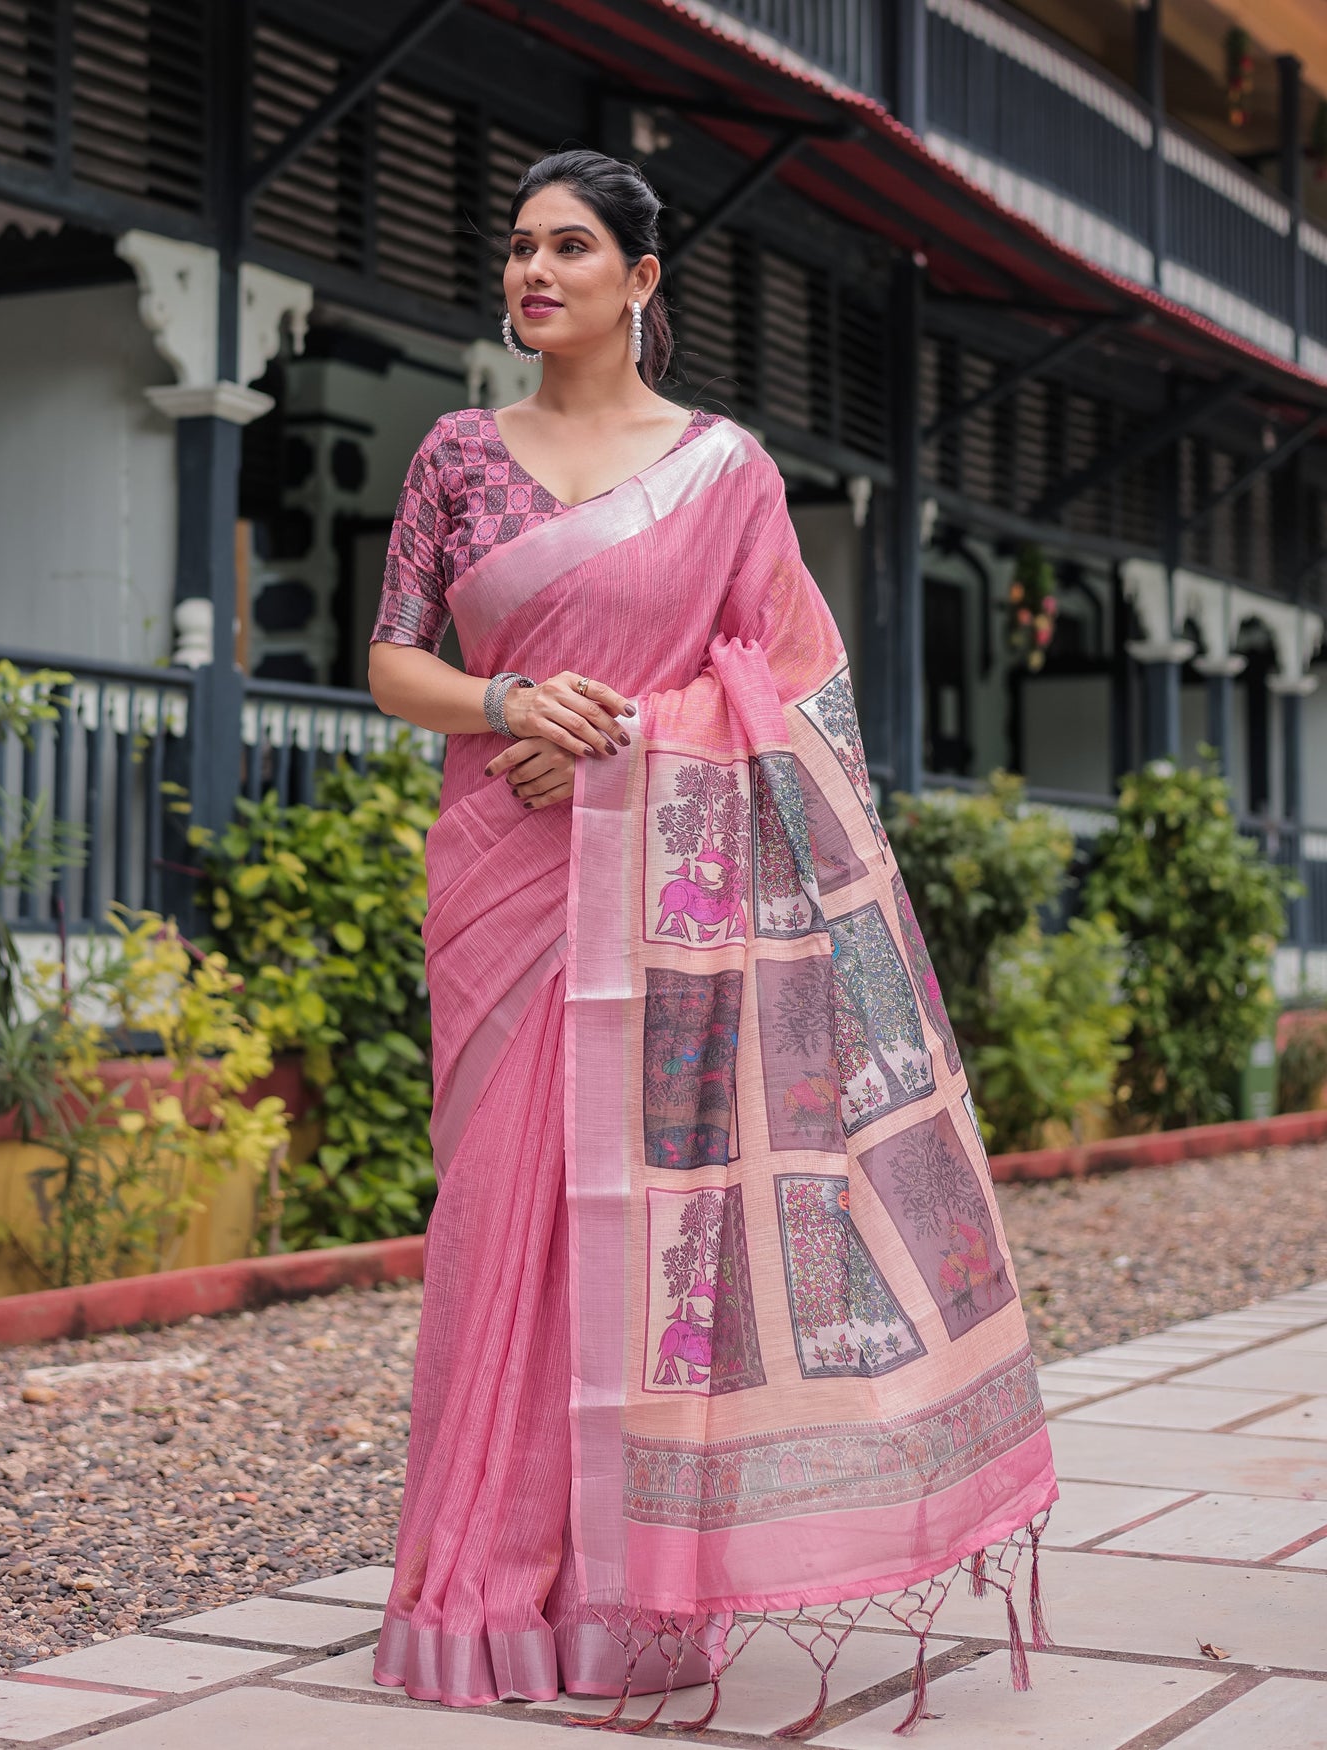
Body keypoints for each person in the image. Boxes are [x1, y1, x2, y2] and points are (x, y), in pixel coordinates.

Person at [367, 148, 1057, 1736]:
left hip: (659, 903)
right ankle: (471, 1587)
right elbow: (395, 659)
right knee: (498, 1221)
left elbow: (799, 688)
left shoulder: (726, 471)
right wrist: (505, 703)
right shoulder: (460, 455)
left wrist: (621, 745)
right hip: (501, 881)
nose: (534, 273)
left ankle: (623, 1597)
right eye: (518, 248)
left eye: (570, 248)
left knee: (645, 1226)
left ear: (642, 279)